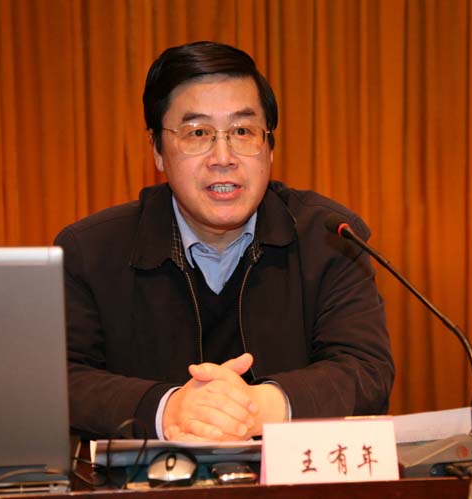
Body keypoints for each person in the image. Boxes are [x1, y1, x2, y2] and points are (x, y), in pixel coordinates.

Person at [55, 41, 394, 442]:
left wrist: (257, 407)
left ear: (269, 147)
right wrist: (167, 409)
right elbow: (62, 379)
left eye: (242, 132)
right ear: (157, 150)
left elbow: (366, 370)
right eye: (197, 133)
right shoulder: (89, 252)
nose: (222, 157)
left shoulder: (329, 237)